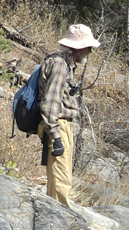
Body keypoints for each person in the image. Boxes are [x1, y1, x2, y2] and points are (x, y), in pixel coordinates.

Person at [39, 24, 100, 207]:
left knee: (59, 176)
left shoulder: (64, 64)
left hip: (60, 125)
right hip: (58, 126)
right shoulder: (59, 66)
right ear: (78, 48)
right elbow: (50, 104)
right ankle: (60, 221)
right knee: (61, 179)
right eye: (89, 47)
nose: (90, 51)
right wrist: (56, 136)